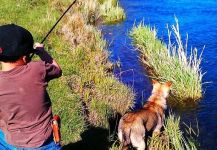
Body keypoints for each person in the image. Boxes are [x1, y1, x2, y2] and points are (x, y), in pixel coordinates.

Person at [0, 24, 62, 149]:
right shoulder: (37, 69)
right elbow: (57, 70)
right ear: (24, 58)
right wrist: (42, 52)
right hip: (42, 142)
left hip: (9, 141)